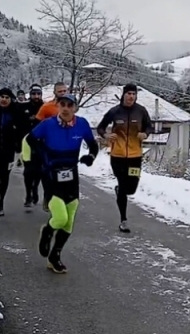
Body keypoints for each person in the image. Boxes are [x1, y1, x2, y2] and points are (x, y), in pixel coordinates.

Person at [28, 94, 98, 273]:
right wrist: (43, 158)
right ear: (58, 106)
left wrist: (90, 157)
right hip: (52, 175)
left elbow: (93, 145)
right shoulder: (48, 124)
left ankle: (55, 257)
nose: (66, 108)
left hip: (71, 176)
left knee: (69, 222)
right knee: (60, 218)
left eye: (69, 105)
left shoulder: (81, 124)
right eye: (62, 105)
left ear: (75, 108)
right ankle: (47, 231)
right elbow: (31, 139)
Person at [96, 83, 152, 233]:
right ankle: (124, 220)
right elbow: (100, 127)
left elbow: (149, 127)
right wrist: (106, 135)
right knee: (122, 184)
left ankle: (121, 190)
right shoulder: (115, 112)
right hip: (118, 156)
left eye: (133, 94)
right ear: (124, 95)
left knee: (131, 188)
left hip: (135, 156)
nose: (131, 96)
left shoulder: (141, 111)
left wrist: (145, 134)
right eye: (128, 94)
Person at [17, 84, 45, 207]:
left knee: (39, 170)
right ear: (30, 95)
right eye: (34, 94)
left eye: (38, 94)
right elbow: (18, 125)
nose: (36, 96)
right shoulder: (23, 107)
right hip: (27, 143)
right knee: (28, 171)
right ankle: (28, 194)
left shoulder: (46, 107)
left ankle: (35, 189)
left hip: (42, 143)